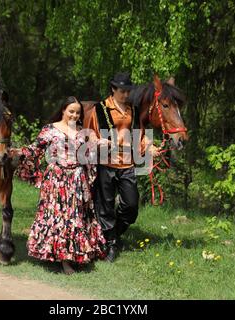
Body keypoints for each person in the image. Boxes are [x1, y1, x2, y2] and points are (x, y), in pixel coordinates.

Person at [13, 96, 108, 275]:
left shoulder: (83, 132)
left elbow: (87, 154)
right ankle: (64, 260)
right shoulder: (50, 130)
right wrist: (19, 152)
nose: (74, 115)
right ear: (63, 110)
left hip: (77, 180)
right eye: (71, 111)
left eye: (77, 112)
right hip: (56, 181)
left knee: (75, 218)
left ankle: (74, 254)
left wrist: (99, 144)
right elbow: (35, 149)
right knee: (58, 218)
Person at [84, 72, 160, 262]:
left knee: (131, 206)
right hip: (106, 163)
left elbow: (139, 135)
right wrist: (96, 141)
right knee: (106, 206)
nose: (126, 95)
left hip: (127, 163)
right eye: (123, 91)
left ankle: (113, 235)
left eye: (128, 91)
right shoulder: (99, 109)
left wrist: (149, 148)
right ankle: (110, 244)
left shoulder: (132, 111)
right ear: (113, 89)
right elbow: (89, 133)